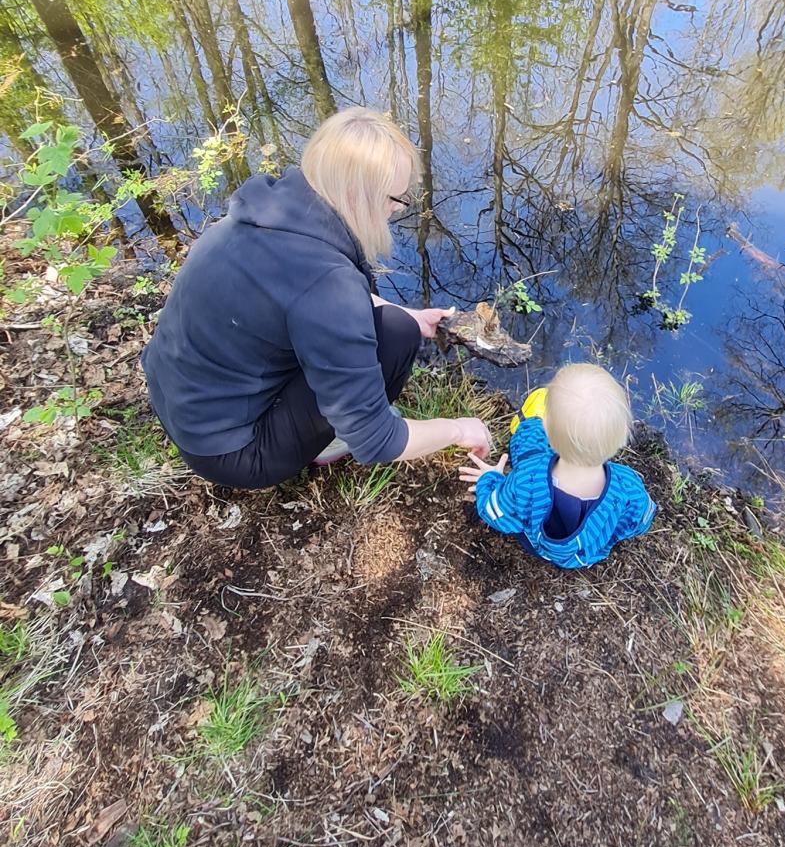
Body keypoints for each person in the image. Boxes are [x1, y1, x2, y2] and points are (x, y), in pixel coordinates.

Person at [141, 108, 491, 489]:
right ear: (359, 197)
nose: (397, 207)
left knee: (400, 324)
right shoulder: (327, 284)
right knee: (395, 339)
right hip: (232, 453)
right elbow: (377, 440)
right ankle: (328, 442)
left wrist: (410, 313)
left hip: (180, 406)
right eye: (396, 198)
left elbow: (300, 299)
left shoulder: (263, 216)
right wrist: (461, 428)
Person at [459, 364, 655, 569]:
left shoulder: (527, 478)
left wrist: (489, 479)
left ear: (548, 431)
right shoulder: (628, 488)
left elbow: (496, 511)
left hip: (535, 544)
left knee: (529, 445)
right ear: (621, 438)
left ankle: (529, 424)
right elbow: (641, 520)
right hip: (585, 554)